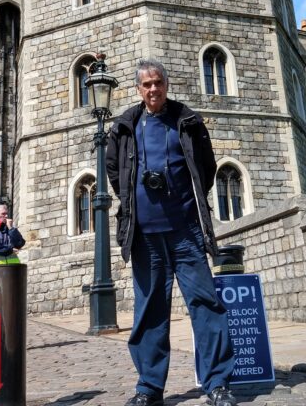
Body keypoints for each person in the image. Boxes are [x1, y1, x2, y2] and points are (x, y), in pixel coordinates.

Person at [106, 59, 236, 406]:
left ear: (166, 84)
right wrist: (133, 200)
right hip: (145, 237)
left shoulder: (187, 121)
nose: (153, 89)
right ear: (138, 89)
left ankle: (217, 384)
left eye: (158, 83)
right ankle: (149, 388)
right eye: (147, 84)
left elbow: (206, 168)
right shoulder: (125, 126)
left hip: (186, 232)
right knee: (150, 311)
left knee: (205, 305)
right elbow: (113, 170)